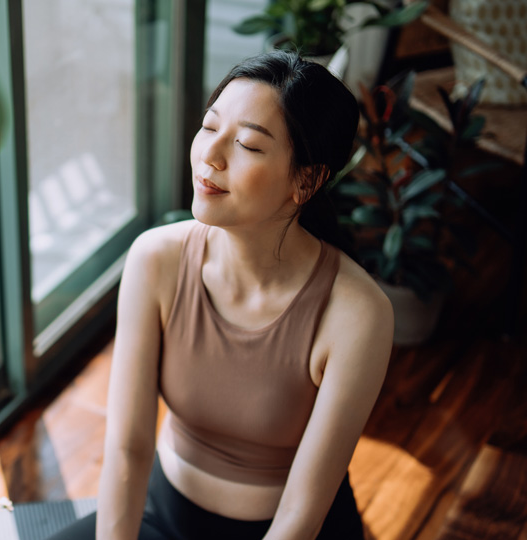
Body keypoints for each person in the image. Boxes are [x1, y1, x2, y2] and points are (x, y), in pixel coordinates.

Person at [47, 51, 394, 539]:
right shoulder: (156, 258)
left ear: (306, 180)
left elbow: (300, 513)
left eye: (249, 145)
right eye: (210, 128)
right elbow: (128, 448)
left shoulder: (357, 313)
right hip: (160, 515)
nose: (211, 156)